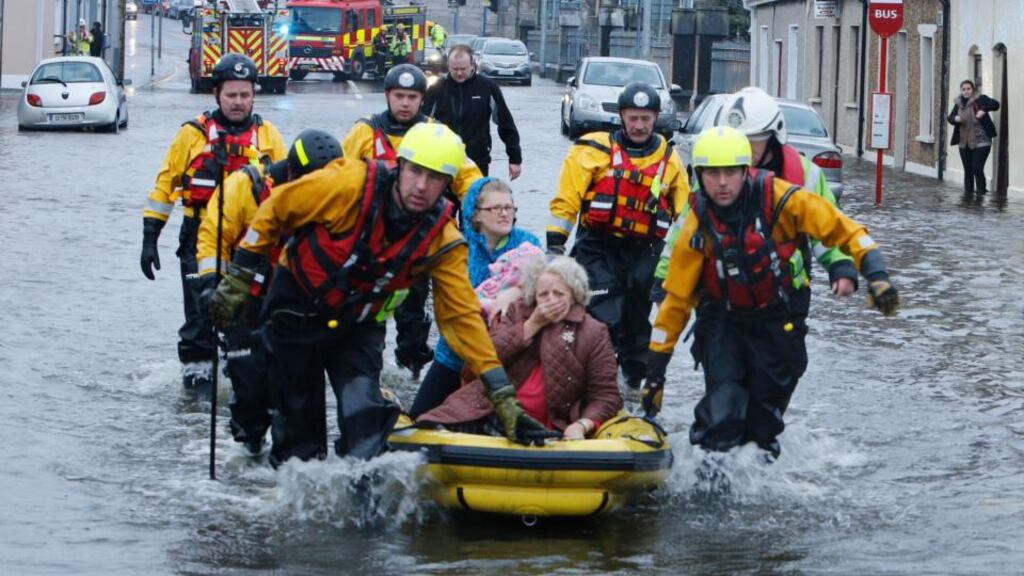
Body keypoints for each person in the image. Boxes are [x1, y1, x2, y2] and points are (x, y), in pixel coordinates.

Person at [209, 123, 555, 465]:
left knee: (365, 425)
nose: (421, 186)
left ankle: (364, 500)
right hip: (296, 312)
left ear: (447, 185)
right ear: (400, 166)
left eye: (434, 178)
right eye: (415, 171)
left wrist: (502, 395)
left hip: (357, 328)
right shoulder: (348, 183)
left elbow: (462, 319)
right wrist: (239, 277)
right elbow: (277, 208)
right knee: (299, 434)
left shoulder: (443, 242)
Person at [641, 126, 901, 460]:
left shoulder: (782, 199)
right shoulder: (697, 225)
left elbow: (843, 230)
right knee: (721, 414)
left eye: (730, 173)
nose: (722, 183)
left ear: (745, 171)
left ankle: (758, 474)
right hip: (724, 323)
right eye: (713, 174)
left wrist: (876, 274)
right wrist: (655, 372)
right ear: (700, 175)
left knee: (762, 425)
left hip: (777, 322)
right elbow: (675, 305)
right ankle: (711, 484)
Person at [140, 53, 286, 397]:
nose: (238, 102)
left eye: (245, 95)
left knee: (247, 316)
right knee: (199, 315)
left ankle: (242, 379)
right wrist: (150, 236)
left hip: (249, 242)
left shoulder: (268, 137)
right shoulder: (191, 135)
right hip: (198, 237)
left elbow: (287, 194)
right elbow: (165, 187)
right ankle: (196, 385)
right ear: (216, 94)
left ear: (254, 94)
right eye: (232, 95)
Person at [195, 130, 342, 454]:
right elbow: (212, 239)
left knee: (293, 388)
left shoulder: (335, 197)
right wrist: (211, 284)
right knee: (249, 388)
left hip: (295, 299)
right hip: (246, 295)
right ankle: (249, 437)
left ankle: (291, 455)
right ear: (291, 173)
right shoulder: (245, 187)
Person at [342, 63, 485, 378]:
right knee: (367, 308)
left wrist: (485, 207)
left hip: (419, 236)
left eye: (412, 97)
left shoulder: (437, 134)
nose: (405, 103)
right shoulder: (364, 133)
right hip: (372, 237)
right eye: (399, 96)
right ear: (387, 96)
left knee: (413, 306)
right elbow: (342, 178)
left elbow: (467, 176)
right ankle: (366, 366)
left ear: (423, 99)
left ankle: (412, 364)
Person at [653, 86, 858, 303]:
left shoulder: (805, 175)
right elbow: (685, 229)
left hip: (783, 299)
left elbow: (828, 227)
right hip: (721, 297)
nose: (743, 149)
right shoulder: (714, 176)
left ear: (772, 135)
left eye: (751, 141)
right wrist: (665, 278)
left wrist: (840, 266)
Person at [547, 82, 688, 396]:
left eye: (646, 118)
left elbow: (685, 217)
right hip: (598, 246)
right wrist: (555, 245)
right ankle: (591, 387)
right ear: (621, 116)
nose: (639, 125)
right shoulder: (592, 150)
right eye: (633, 117)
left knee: (637, 325)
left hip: (646, 251)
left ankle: (635, 393)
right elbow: (567, 198)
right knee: (603, 317)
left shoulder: (670, 159)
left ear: (655, 118)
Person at [417, 256, 623, 440]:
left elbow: (606, 395)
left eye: (559, 294)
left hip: (550, 425)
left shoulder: (594, 332)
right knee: (426, 430)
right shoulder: (515, 314)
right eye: (543, 295)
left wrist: (582, 424)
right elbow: (480, 360)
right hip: (488, 412)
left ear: (574, 295)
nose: (550, 301)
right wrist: (532, 325)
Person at [409, 177, 541, 418]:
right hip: (457, 351)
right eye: (495, 208)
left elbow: (543, 281)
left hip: (508, 354)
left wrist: (516, 291)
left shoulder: (527, 243)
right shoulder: (457, 248)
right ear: (476, 214)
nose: (504, 214)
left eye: (509, 207)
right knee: (419, 415)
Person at [423, 44, 522, 180]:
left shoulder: (487, 87)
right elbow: (422, 125)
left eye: (463, 69)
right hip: (443, 160)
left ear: (472, 65)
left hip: (477, 161)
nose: (459, 73)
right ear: (448, 66)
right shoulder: (437, 89)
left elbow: (505, 123)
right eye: (455, 69)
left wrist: (514, 158)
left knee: (475, 200)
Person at [948, 80, 1000, 196]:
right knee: (968, 170)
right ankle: (968, 195)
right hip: (964, 141)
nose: (966, 91)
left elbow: (995, 104)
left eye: (968, 89)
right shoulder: (958, 103)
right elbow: (950, 117)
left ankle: (981, 192)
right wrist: (955, 119)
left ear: (973, 90)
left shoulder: (980, 99)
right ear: (961, 91)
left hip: (982, 141)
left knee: (977, 168)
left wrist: (984, 109)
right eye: (964, 89)